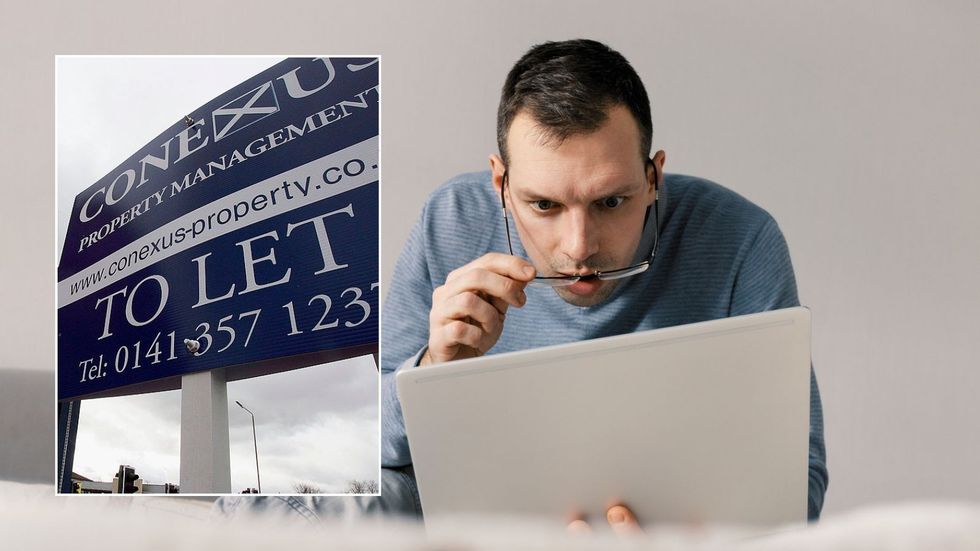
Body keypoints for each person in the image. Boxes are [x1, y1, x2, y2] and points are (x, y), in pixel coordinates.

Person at [215, 39, 828, 527]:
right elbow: (377, 455)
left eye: (612, 201)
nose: (579, 247)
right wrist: (433, 366)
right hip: (477, 507)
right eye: (542, 205)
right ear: (500, 184)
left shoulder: (744, 239)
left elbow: (799, 483)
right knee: (268, 519)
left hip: (661, 526)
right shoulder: (449, 219)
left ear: (655, 176)